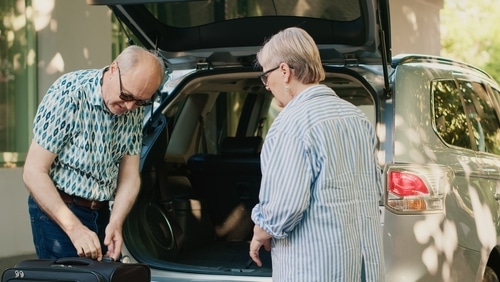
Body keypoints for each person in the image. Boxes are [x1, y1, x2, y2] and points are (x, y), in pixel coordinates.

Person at [249, 27, 385, 281]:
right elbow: (375, 189)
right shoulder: (356, 117)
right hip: (362, 264)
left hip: (314, 268)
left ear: (284, 71)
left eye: (266, 77)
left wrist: (260, 231)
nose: (267, 86)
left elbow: (284, 208)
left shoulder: (290, 124)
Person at [23, 45, 165, 261]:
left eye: (140, 101)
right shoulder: (69, 94)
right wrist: (74, 229)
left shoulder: (132, 106)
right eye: (126, 95)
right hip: (60, 211)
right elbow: (33, 172)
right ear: (113, 69)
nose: (129, 106)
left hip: (102, 212)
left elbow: (129, 175)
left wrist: (116, 222)